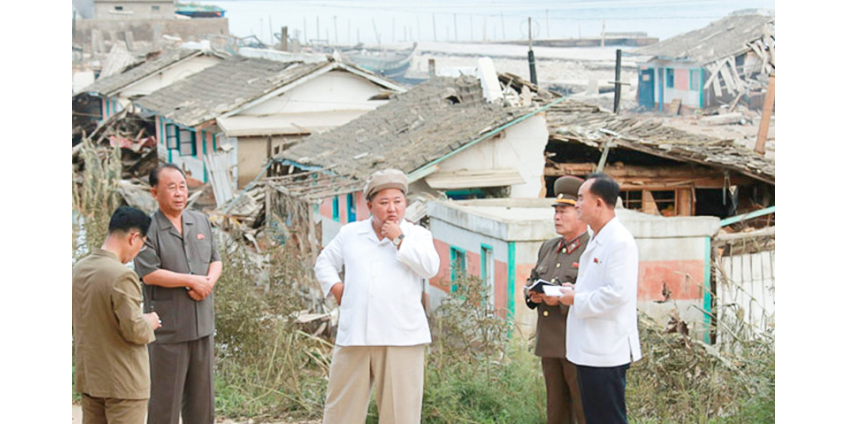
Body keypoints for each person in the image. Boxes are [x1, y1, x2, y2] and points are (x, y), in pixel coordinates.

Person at [315, 168, 440, 424]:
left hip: (400, 338)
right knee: (341, 412)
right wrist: (337, 288)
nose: (392, 209)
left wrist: (400, 240)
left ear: (405, 204)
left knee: (400, 415)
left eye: (398, 201)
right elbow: (324, 262)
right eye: (384, 202)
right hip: (355, 336)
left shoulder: (417, 235)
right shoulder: (350, 234)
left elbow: (430, 268)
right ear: (370, 205)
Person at [133, 164, 222, 424]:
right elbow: (149, 273)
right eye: (171, 187)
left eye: (182, 186)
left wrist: (207, 284)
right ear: (154, 192)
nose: (179, 193)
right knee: (165, 404)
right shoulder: (146, 229)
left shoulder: (200, 221)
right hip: (169, 331)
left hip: (202, 326)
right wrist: (192, 281)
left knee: (202, 405)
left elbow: (216, 260)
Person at [557, 173, 642, 424]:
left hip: (607, 348)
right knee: (595, 417)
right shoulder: (598, 236)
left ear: (599, 203)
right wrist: (576, 290)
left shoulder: (620, 242)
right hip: (590, 347)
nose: (577, 204)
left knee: (609, 418)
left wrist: (576, 299)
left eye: (580, 199)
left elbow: (617, 294)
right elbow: (598, 284)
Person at [73, 206, 162, 424]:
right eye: (142, 244)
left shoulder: (79, 269)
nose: (139, 250)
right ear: (134, 237)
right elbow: (135, 331)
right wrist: (150, 321)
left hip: (91, 377)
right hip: (124, 382)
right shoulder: (122, 276)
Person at [524, 176, 589, 424]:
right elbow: (533, 278)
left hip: (577, 344)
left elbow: (592, 295)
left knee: (583, 410)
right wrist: (532, 294)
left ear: (580, 213)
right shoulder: (549, 247)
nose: (557, 217)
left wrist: (560, 301)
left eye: (564, 211)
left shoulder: (591, 250)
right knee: (557, 412)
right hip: (550, 343)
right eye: (556, 211)